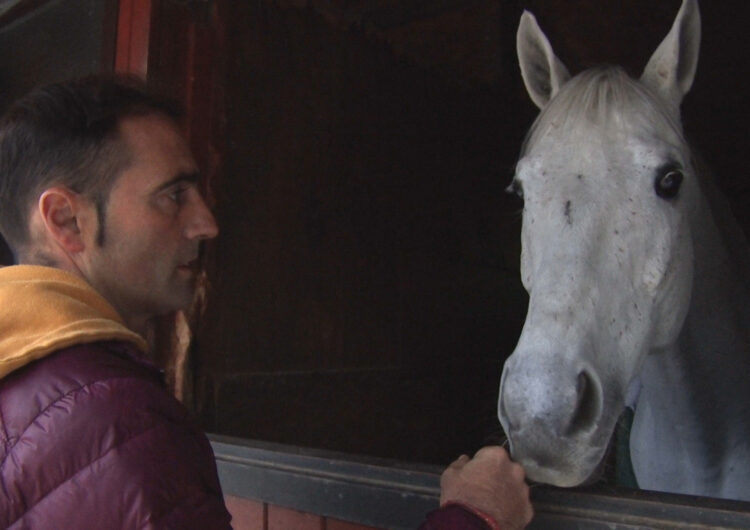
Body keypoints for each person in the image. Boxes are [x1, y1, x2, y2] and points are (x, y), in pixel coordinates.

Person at [0, 76, 532, 529]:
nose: (206, 222)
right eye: (173, 194)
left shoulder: (28, 388)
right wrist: (476, 515)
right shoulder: (116, 427)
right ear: (67, 221)